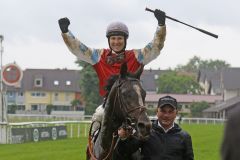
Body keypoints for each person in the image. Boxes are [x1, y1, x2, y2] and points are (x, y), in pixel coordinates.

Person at [58, 10, 166, 131]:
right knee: (98, 117)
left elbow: (156, 46)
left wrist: (161, 25)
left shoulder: (137, 56)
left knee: (146, 129)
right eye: (113, 38)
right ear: (109, 40)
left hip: (131, 106)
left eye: (119, 38)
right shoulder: (98, 56)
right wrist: (66, 32)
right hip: (108, 105)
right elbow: (78, 48)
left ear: (125, 40)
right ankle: (92, 149)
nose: (116, 42)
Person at [115, 95, 194, 160]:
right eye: (163, 111)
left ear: (176, 113)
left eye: (170, 112)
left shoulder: (184, 137)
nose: (166, 115)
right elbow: (124, 152)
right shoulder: (145, 131)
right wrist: (123, 139)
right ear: (157, 111)